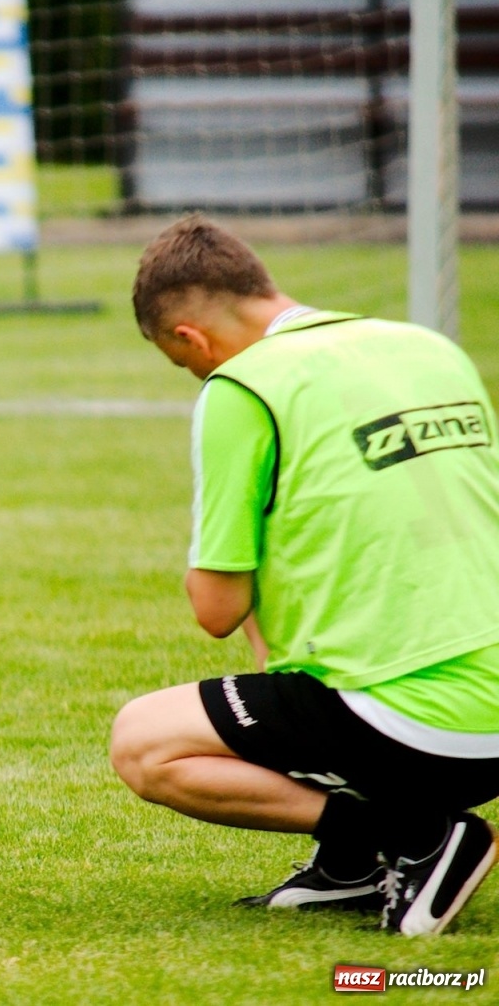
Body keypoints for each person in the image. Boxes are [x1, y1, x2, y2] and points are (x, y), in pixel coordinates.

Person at [109, 215, 499, 937]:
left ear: (190, 339)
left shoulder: (241, 387)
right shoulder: (429, 347)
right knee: (304, 672)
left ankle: (416, 836)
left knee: (141, 742)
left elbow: (218, 607)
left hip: (426, 726)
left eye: (182, 362)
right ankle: (347, 864)